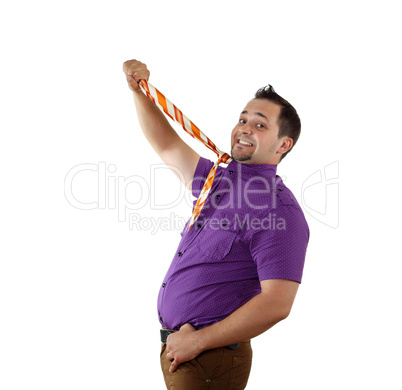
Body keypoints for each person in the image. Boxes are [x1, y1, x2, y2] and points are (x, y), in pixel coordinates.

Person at [123, 59, 309, 389]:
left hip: (210, 357)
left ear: (283, 145)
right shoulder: (217, 180)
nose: (244, 128)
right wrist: (139, 92)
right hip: (182, 352)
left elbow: (278, 303)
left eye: (260, 125)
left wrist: (199, 341)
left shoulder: (278, 209)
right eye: (243, 119)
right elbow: (166, 145)